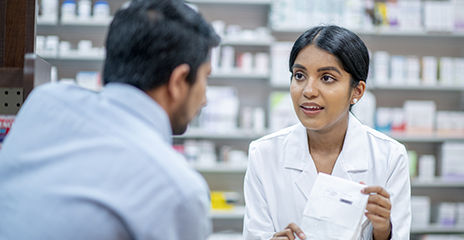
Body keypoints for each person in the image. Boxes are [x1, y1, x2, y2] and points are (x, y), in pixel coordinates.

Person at [0, 0, 219, 239]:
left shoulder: (44, 102)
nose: (205, 99)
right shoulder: (176, 189)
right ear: (178, 81)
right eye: (205, 78)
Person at [243, 25, 411, 240]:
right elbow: (254, 234)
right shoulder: (264, 154)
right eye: (300, 75)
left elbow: (399, 234)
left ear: (357, 91)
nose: (308, 91)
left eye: (327, 78)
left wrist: (383, 232)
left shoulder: (389, 156)